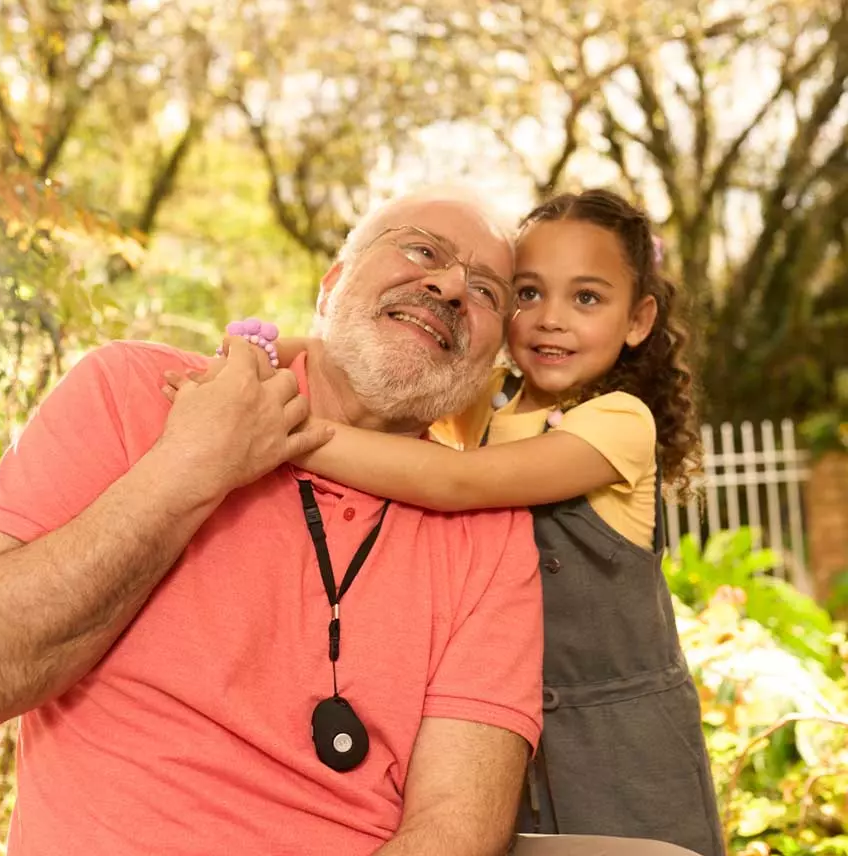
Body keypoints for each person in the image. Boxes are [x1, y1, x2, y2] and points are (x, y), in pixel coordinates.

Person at [0, 189, 547, 855]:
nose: (452, 285)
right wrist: (191, 464)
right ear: (333, 283)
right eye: (422, 249)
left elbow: (455, 829)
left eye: (487, 292)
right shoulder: (133, 392)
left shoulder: (486, 530)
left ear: (492, 361)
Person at [185, 189, 724, 856]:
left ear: (638, 319)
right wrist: (254, 357)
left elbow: (454, 482)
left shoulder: (618, 422)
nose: (551, 320)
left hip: (620, 739)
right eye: (527, 294)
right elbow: (356, 357)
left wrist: (286, 429)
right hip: (503, 733)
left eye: (586, 299)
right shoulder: (488, 399)